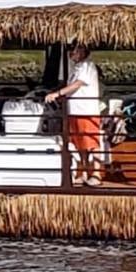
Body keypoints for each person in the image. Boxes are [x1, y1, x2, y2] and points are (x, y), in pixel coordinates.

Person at [45, 44, 103, 186]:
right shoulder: (76, 68)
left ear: (83, 51)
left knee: (91, 142)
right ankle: (83, 171)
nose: (72, 53)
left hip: (86, 110)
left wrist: (58, 94)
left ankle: (96, 173)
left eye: (75, 50)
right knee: (79, 143)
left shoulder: (87, 66)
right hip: (75, 110)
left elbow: (77, 84)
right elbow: (71, 85)